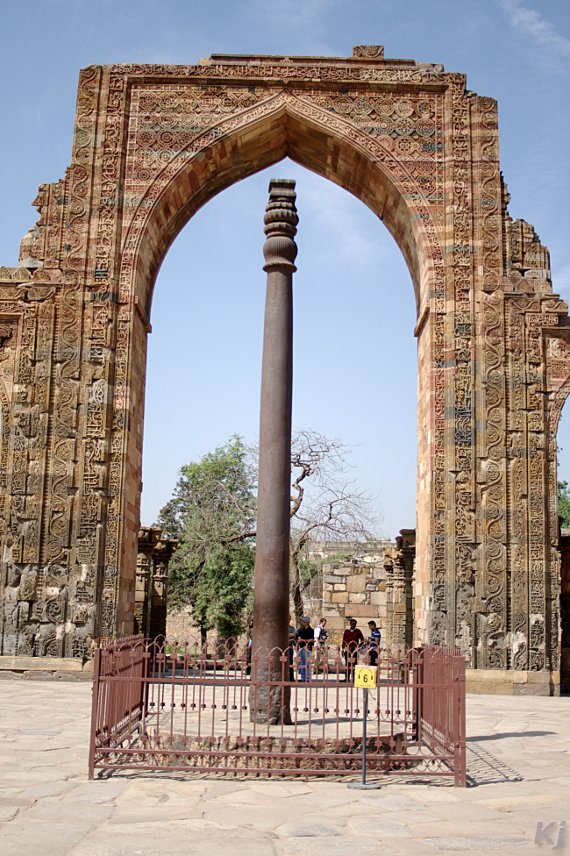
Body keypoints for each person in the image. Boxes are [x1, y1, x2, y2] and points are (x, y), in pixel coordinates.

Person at [295, 615, 314, 682]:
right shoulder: (300, 630)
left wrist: (304, 640)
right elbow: (297, 638)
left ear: (306, 622)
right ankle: (303, 678)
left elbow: (312, 639)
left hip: (308, 648)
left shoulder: (311, 630)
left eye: (302, 621)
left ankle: (308, 678)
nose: (301, 623)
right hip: (301, 648)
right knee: (302, 663)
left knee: (308, 663)